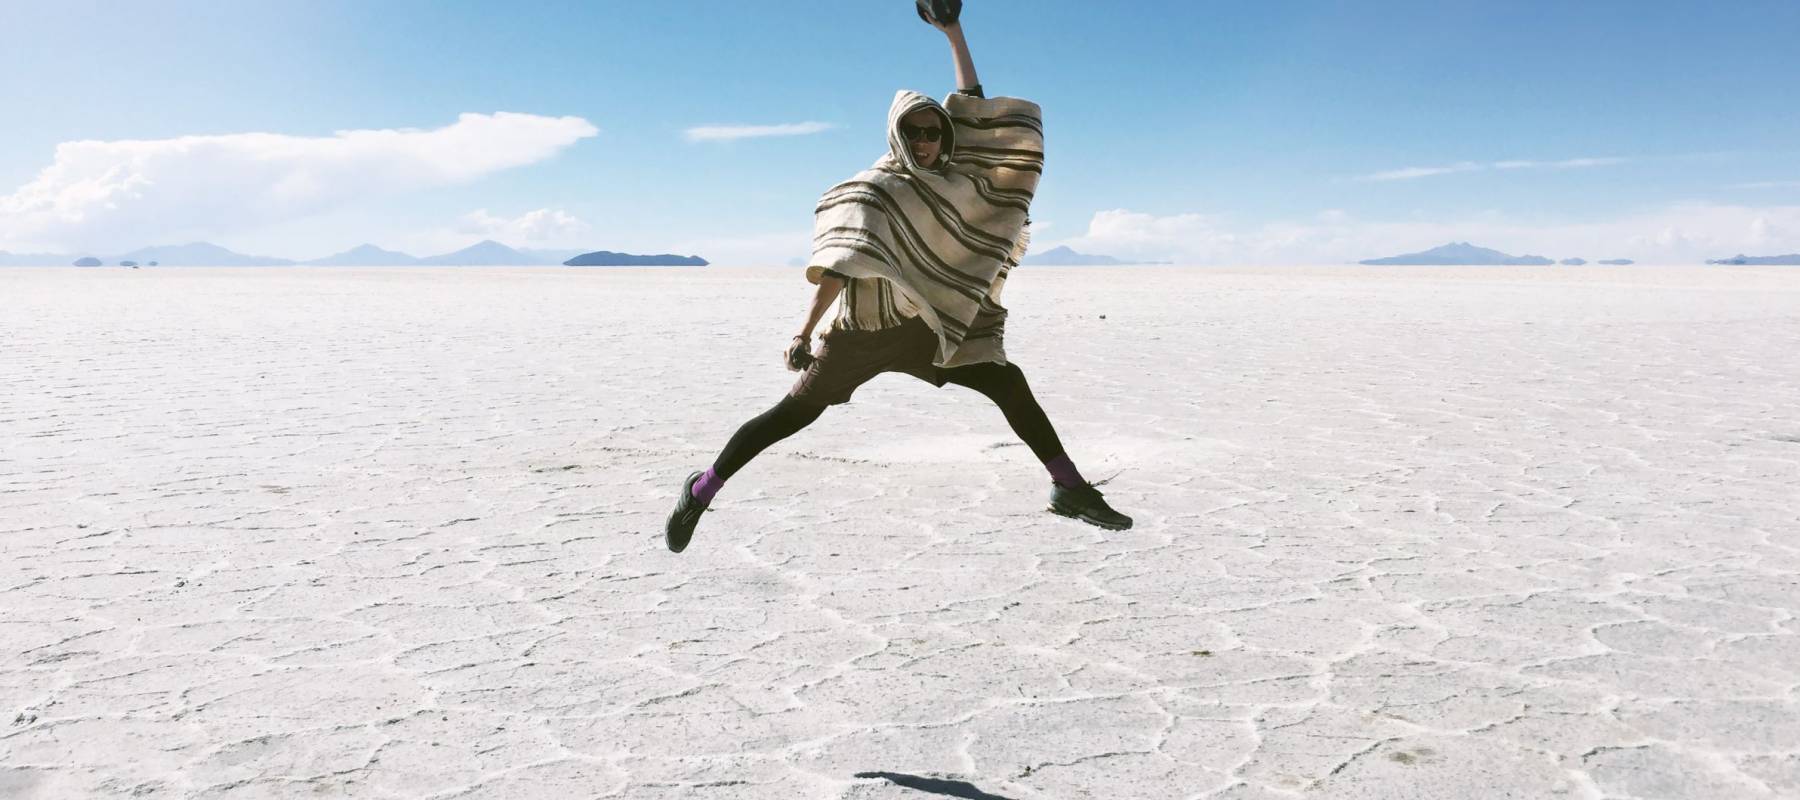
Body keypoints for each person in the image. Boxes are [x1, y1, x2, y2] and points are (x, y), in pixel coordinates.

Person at [665, 1, 1131, 553]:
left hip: (930, 327)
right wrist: (804, 332)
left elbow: (976, 109)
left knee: (1008, 383)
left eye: (933, 131)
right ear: (897, 135)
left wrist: (954, 32)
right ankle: (701, 490)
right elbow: (840, 264)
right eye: (914, 132)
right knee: (793, 414)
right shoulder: (877, 190)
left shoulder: (954, 180)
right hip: (863, 332)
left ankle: (1069, 488)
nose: (926, 142)